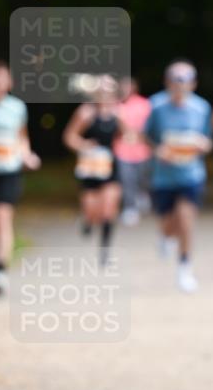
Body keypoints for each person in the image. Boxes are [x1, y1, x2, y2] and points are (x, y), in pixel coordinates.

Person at [144, 60, 213, 293]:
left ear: (193, 84)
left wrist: (203, 145)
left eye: (184, 80)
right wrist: (158, 150)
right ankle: (165, 237)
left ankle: (185, 267)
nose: (179, 85)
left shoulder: (202, 108)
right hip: (163, 176)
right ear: (167, 82)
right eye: (175, 79)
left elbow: (208, 139)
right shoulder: (155, 105)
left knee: (186, 220)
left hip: (191, 174)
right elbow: (145, 137)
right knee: (168, 223)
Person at [0, 60, 40, 294]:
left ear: (9, 82)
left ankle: (1, 270)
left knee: (2, 217)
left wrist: (26, 155)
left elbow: (21, 136)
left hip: (9, 170)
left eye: (1, 78)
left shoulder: (17, 107)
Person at [62, 75, 123, 264]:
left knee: (108, 211)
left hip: (110, 167)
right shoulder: (85, 113)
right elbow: (69, 136)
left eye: (109, 90)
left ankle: (105, 250)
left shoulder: (118, 114)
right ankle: (86, 221)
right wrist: (84, 146)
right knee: (92, 212)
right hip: (89, 168)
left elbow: (128, 135)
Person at [115, 76, 152, 226]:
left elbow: (150, 125)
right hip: (122, 150)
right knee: (126, 179)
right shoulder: (115, 106)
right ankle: (130, 208)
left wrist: (138, 134)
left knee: (142, 178)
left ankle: (142, 194)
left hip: (143, 149)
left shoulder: (145, 104)